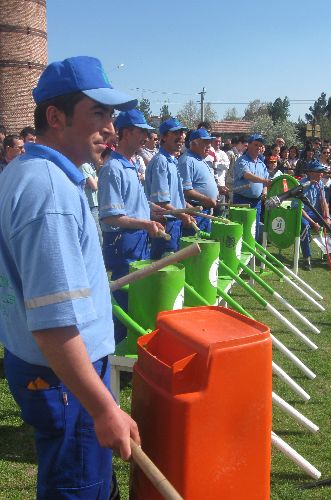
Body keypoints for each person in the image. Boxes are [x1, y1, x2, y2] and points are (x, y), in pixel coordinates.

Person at [0, 55, 141, 498]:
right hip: (66, 379)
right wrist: (103, 408)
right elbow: (54, 322)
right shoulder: (49, 191)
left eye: (112, 115)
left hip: (58, 372)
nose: (111, 129)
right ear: (55, 117)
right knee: (79, 487)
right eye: (97, 113)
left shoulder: (34, 173)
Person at [98, 108, 164, 342]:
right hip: (123, 242)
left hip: (137, 239)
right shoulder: (113, 168)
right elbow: (110, 217)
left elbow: (128, 204)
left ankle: (129, 350)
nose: (146, 138)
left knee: (136, 295)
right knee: (124, 300)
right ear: (125, 133)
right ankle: (117, 353)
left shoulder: (130, 164)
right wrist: (146, 223)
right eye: (141, 132)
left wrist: (150, 208)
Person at [145, 117, 194, 258]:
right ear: (164, 137)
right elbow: (161, 202)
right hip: (165, 223)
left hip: (174, 221)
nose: (182, 137)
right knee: (164, 270)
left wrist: (188, 209)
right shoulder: (161, 162)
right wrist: (182, 215)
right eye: (176, 133)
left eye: (183, 133)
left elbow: (175, 196)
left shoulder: (172, 161)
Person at [299, 160, 331, 270]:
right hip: (301, 214)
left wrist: (327, 217)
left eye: (322, 172)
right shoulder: (301, 185)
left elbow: (324, 202)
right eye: (319, 172)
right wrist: (313, 224)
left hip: (314, 213)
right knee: (304, 225)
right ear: (311, 172)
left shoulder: (320, 183)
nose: (321, 174)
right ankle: (306, 258)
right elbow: (299, 209)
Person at [177, 128, 219, 233]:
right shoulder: (187, 161)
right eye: (205, 142)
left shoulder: (200, 159)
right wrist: (207, 199)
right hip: (194, 212)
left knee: (205, 246)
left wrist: (218, 190)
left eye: (210, 141)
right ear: (194, 143)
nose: (209, 145)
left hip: (205, 211)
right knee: (194, 245)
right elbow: (185, 191)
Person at [233, 133, 271, 239]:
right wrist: (263, 180)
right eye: (255, 144)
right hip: (241, 200)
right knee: (240, 230)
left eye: (260, 145)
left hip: (257, 202)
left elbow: (265, 183)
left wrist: (265, 192)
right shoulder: (242, 160)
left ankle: (252, 253)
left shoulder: (262, 164)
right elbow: (247, 175)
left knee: (254, 229)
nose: (258, 147)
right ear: (248, 145)